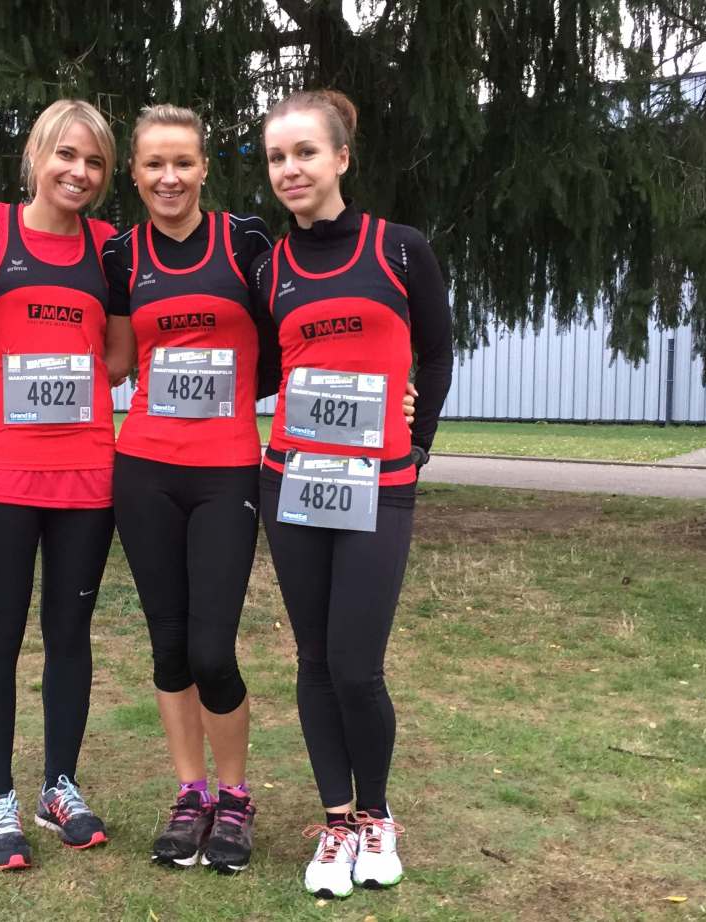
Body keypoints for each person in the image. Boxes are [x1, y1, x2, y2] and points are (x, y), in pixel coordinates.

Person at [253, 89, 453, 900]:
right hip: (294, 481)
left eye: (305, 152)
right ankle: (335, 823)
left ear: (341, 157)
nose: (291, 169)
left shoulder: (400, 249)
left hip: (379, 483)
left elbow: (437, 353)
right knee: (312, 659)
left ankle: (376, 816)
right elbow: (260, 370)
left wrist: (418, 440)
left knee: (356, 666)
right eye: (276, 157)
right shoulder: (270, 269)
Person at [0, 99, 130, 869]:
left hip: (86, 473)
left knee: (70, 633)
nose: (78, 172)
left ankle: (60, 786)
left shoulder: (110, 247)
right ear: (35, 156)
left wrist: (61, 370)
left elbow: (118, 356)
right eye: (66, 155)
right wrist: (7, 366)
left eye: (94, 162)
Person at [101, 104, 278, 874]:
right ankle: (191, 794)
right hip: (143, 468)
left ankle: (235, 797)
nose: (169, 178)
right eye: (154, 165)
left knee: (212, 648)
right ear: (134, 174)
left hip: (225, 470)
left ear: (204, 168)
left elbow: (286, 337)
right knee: (169, 646)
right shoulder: (122, 255)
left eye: (183, 162)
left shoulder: (244, 241)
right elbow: (113, 359)